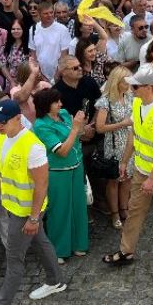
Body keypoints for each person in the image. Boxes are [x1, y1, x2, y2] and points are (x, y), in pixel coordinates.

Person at [0, 99, 68, 305]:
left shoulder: (33, 146)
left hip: (26, 211)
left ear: (18, 119)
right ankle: (56, 280)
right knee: (40, 242)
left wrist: (34, 218)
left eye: (2, 122)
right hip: (11, 205)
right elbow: (0, 168)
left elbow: (42, 184)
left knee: (14, 258)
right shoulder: (2, 139)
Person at [102, 69, 153, 266]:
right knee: (135, 211)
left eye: (136, 86)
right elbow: (133, 134)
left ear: (149, 88)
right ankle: (126, 251)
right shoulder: (137, 103)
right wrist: (124, 161)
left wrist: (152, 178)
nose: (132, 89)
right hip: (141, 168)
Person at [31, 88, 88, 262]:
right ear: (46, 106)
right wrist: (76, 128)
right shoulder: (41, 126)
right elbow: (61, 151)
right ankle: (59, 250)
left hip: (76, 166)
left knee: (78, 207)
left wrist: (81, 126)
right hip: (58, 172)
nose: (61, 104)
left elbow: (79, 135)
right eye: (56, 102)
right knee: (60, 210)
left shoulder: (63, 114)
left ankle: (79, 244)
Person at [94, 65, 134, 229]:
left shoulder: (130, 97)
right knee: (114, 180)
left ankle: (124, 208)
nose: (129, 84)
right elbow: (100, 127)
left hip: (130, 143)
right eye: (126, 81)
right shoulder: (106, 101)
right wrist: (121, 124)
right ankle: (115, 213)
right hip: (114, 144)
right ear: (117, 82)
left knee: (127, 178)